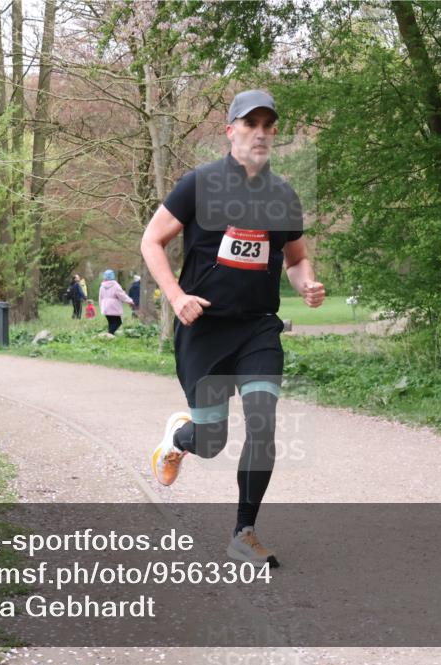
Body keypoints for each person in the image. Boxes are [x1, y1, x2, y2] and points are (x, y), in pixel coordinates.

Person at [141, 90, 325, 567]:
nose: (260, 131)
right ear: (231, 131)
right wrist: (177, 297)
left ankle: (244, 532)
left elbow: (297, 257)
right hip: (204, 329)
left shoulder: (283, 195)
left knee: (263, 422)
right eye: (250, 123)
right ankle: (179, 440)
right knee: (212, 440)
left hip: (258, 329)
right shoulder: (199, 184)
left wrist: (307, 284)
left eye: (268, 124)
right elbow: (152, 240)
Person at [98, 269, 133, 335]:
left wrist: (101, 306)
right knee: (118, 322)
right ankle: (109, 334)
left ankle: (110, 335)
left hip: (105, 306)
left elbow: (100, 297)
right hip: (113, 306)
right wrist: (130, 301)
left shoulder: (102, 286)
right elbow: (122, 295)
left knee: (111, 322)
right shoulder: (115, 285)